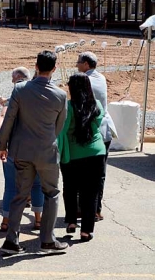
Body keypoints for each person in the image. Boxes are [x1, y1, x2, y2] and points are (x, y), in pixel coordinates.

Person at [0, 51, 69, 255]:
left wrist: (2, 145)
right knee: (52, 193)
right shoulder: (60, 95)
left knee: (20, 195)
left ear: (36, 66)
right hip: (47, 151)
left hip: (22, 151)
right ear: (54, 69)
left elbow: (9, 118)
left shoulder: (20, 90)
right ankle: (47, 239)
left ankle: (12, 240)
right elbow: (59, 126)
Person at [58, 73, 105, 242]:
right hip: (96, 153)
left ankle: (71, 221)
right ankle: (86, 230)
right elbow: (97, 124)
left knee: (70, 188)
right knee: (90, 193)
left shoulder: (68, 107)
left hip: (72, 154)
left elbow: (62, 130)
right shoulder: (97, 105)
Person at [0, 67, 43, 232]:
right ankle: (38, 220)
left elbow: (4, 123)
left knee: (10, 186)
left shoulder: (12, 100)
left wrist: (2, 145)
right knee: (37, 185)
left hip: (15, 148)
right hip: (37, 148)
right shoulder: (40, 98)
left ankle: (6, 221)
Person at [76, 51, 117, 221]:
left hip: (90, 131)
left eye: (79, 62)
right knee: (99, 174)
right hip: (104, 129)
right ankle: (95, 209)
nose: (76, 65)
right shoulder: (100, 78)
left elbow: (77, 106)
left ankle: (83, 209)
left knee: (83, 173)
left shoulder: (84, 81)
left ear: (86, 64)